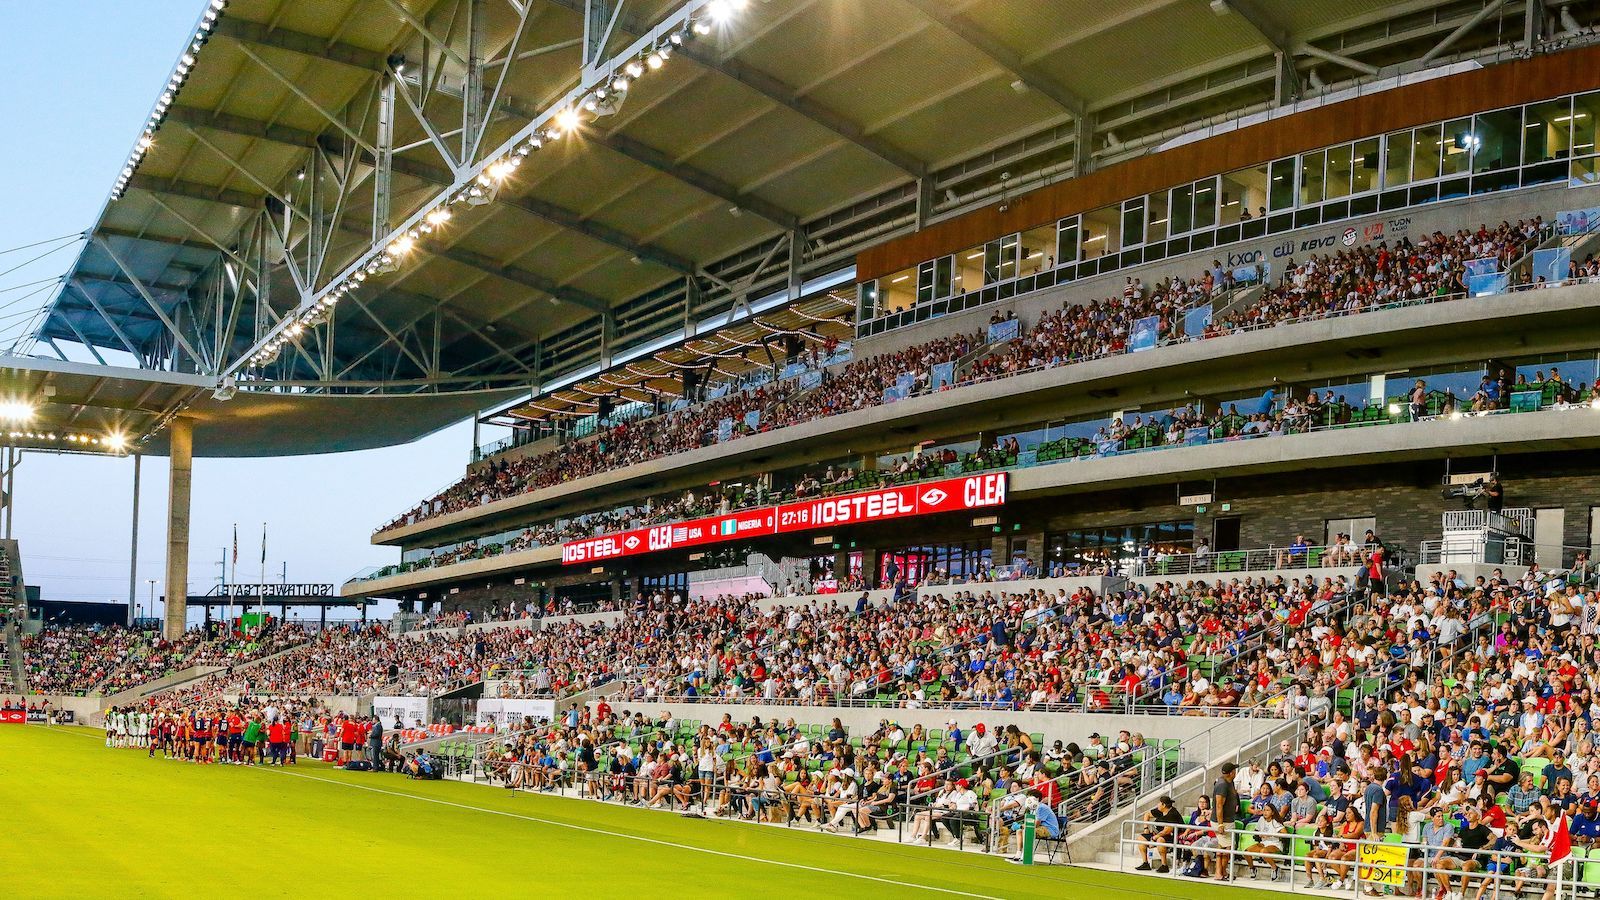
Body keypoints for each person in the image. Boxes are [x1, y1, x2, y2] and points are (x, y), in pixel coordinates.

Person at [1136, 795, 1185, 872]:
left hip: (1172, 836)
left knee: (1160, 840)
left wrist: (1153, 838)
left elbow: (1167, 830)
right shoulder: (1160, 810)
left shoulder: (1172, 814)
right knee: (1140, 838)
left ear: (1164, 805)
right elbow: (1147, 814)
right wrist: (1146, 828)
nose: (1157, 804)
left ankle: (1164, 865)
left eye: (1159, 803)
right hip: (1157, 833)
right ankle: (1145, 863)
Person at [1213, 762, 1240, 881]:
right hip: (1223, 821)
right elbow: (1219, 805)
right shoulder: (1222, 784)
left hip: (1229, 819)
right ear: (1231, 773)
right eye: (1234, 770)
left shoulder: (1230, 782)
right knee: (1227, 847)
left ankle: (1222, 872)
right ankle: (1219, 873)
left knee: (1223, 846)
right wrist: (1220, 824)